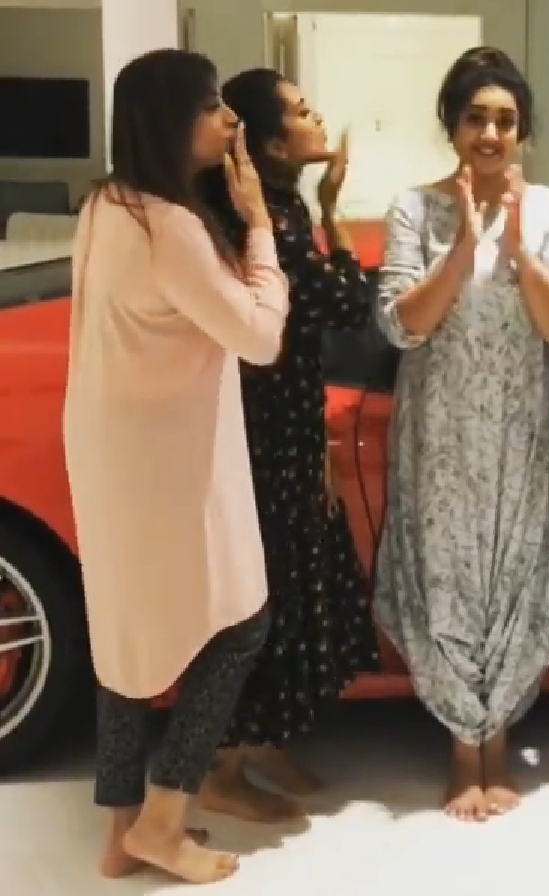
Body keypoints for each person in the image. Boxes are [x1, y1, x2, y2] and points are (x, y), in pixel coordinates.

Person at [62, 49, 289, 884]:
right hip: (165, 466)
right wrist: (259, 226)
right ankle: (163, 820)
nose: (229, 120)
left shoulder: (105, 207)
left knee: (123, 639)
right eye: (211, 106)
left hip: (111, 453)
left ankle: (120, 832)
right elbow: (259, 337)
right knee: (240, 624)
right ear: (170, 120)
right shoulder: (172, 228)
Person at [372, 46, 549, 821]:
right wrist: (464, 249)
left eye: (506, 120)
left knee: (511, 574)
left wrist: (522, 250)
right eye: (476, 118)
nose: (491, 134)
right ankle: (464, 754)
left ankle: (498, 742)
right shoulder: (414, 209)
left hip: (518, 431)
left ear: (523, 130)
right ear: (452, 126)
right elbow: (401, 326)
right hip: (438, 434)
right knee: (448, 576)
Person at [194, 67, 381, 823]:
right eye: (302, 111)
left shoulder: (275, 206)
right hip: (263, 440)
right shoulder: (268, 217)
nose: (317, 117)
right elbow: (348, 304)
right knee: (267, 600)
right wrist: (337, 213)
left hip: (285, 431)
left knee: (296, 591)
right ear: (272, 144)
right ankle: (223, 769)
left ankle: (263, 742)